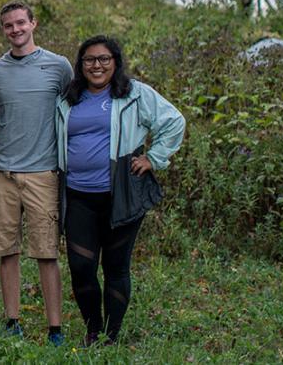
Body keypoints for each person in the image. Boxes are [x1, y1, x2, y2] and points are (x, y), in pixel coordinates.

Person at [55, 35, 185, 346]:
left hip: (120, 194)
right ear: (80, 64)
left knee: (115, 266)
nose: (96, 65)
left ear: (116, 62)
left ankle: (110, 337)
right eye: (89, 60)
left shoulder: (135, 93)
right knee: (81, 266)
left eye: (104, 59)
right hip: (77, 195)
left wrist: (153, 158)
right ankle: (92, 329)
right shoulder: (68, 97)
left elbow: (174, 121)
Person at [0, 1, 73, 346]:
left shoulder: (58, 67)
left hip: (43, 172)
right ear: (3, 30)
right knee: (6, 250)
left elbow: (75, 112)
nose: (15, 30)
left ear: (33, 24)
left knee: (46, 252)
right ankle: (12, 320)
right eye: (8, 26)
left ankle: (54, 327)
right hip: (2, 172)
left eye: (20, 23)